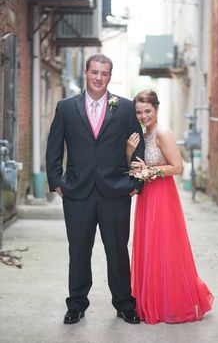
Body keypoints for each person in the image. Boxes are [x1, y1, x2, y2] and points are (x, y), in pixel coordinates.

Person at [46, 54, 145, 325]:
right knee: (78, 250)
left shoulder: (125, 107)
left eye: (104, 73)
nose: (98, 78)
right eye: (94, 72)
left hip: (115, 191)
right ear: (86, 74)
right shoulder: (66, 107)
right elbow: (54, 147)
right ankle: (76, 304)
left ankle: (124, 304)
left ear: (109, 76)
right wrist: (57, 182)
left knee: (117, 250)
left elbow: (139, 148)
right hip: (77, 192)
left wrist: (135, 182)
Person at [127, 89, 214, 324]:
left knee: (164, 246)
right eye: (139, 112)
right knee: (149, 246)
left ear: (156, 109)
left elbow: (178, 167)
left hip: (163, 196)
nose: (143, 115)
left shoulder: (162, 133)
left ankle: (170, 303)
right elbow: (136, 165)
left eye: (147, 111)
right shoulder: (143, 134)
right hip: (147, 196)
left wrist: (150, 171)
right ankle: (152, 300)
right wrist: (129, 153)